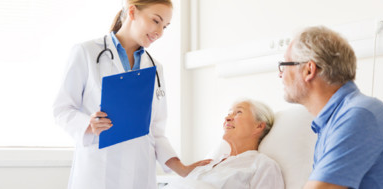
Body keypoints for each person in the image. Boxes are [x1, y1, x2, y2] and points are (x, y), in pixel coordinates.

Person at [53, 0, 210, 188]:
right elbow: (62, 109)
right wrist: (89, 124)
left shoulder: (154, 68)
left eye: (165, 27)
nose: (159, 32)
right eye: (155, 21)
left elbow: (156, 132)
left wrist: (182, 169)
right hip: (98, 172)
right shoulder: (86, 53)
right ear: (133, 12)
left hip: (139, 173)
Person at [279, 26, 383, 189]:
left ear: (308, 70)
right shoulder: (332, 122)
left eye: (284, 65)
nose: (280, 74)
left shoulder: (360, 114)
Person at [164, 99, 284, 189]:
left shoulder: (263, 166)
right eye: (229, 113)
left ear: (258, 126)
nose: (227, 117)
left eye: (238, 112)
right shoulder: (208, 164)